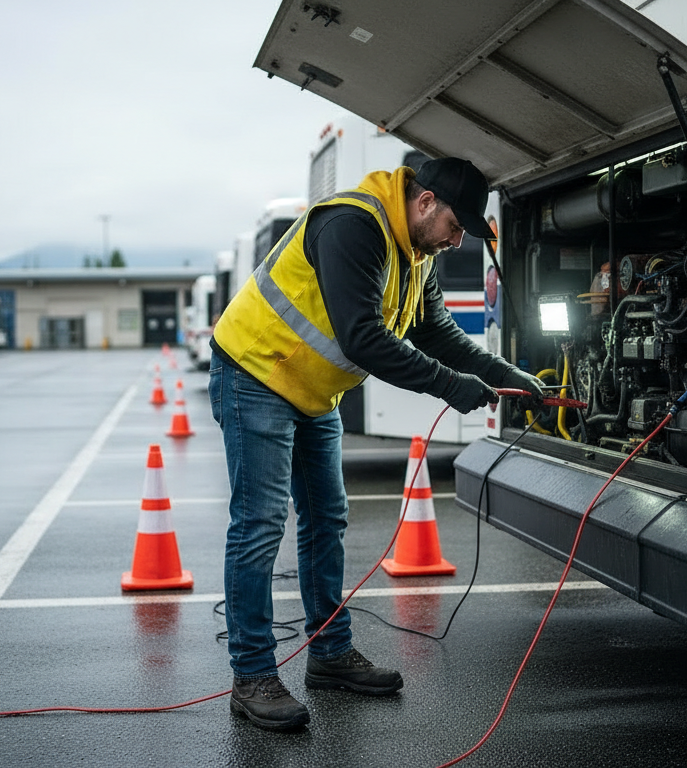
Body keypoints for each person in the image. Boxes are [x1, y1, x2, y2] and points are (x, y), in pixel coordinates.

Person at [208, 157, 544, 731]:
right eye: (455, 226)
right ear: (425, 201)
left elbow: (440, 335)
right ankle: (253, 676)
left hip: (312, 390)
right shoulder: (354, 226)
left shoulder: (415, 257)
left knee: (327, 518)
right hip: (255, 373)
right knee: (261, 523)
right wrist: (448, 387)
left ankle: (330, 655)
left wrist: (511, 378)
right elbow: (362, 336)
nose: (457, 240)